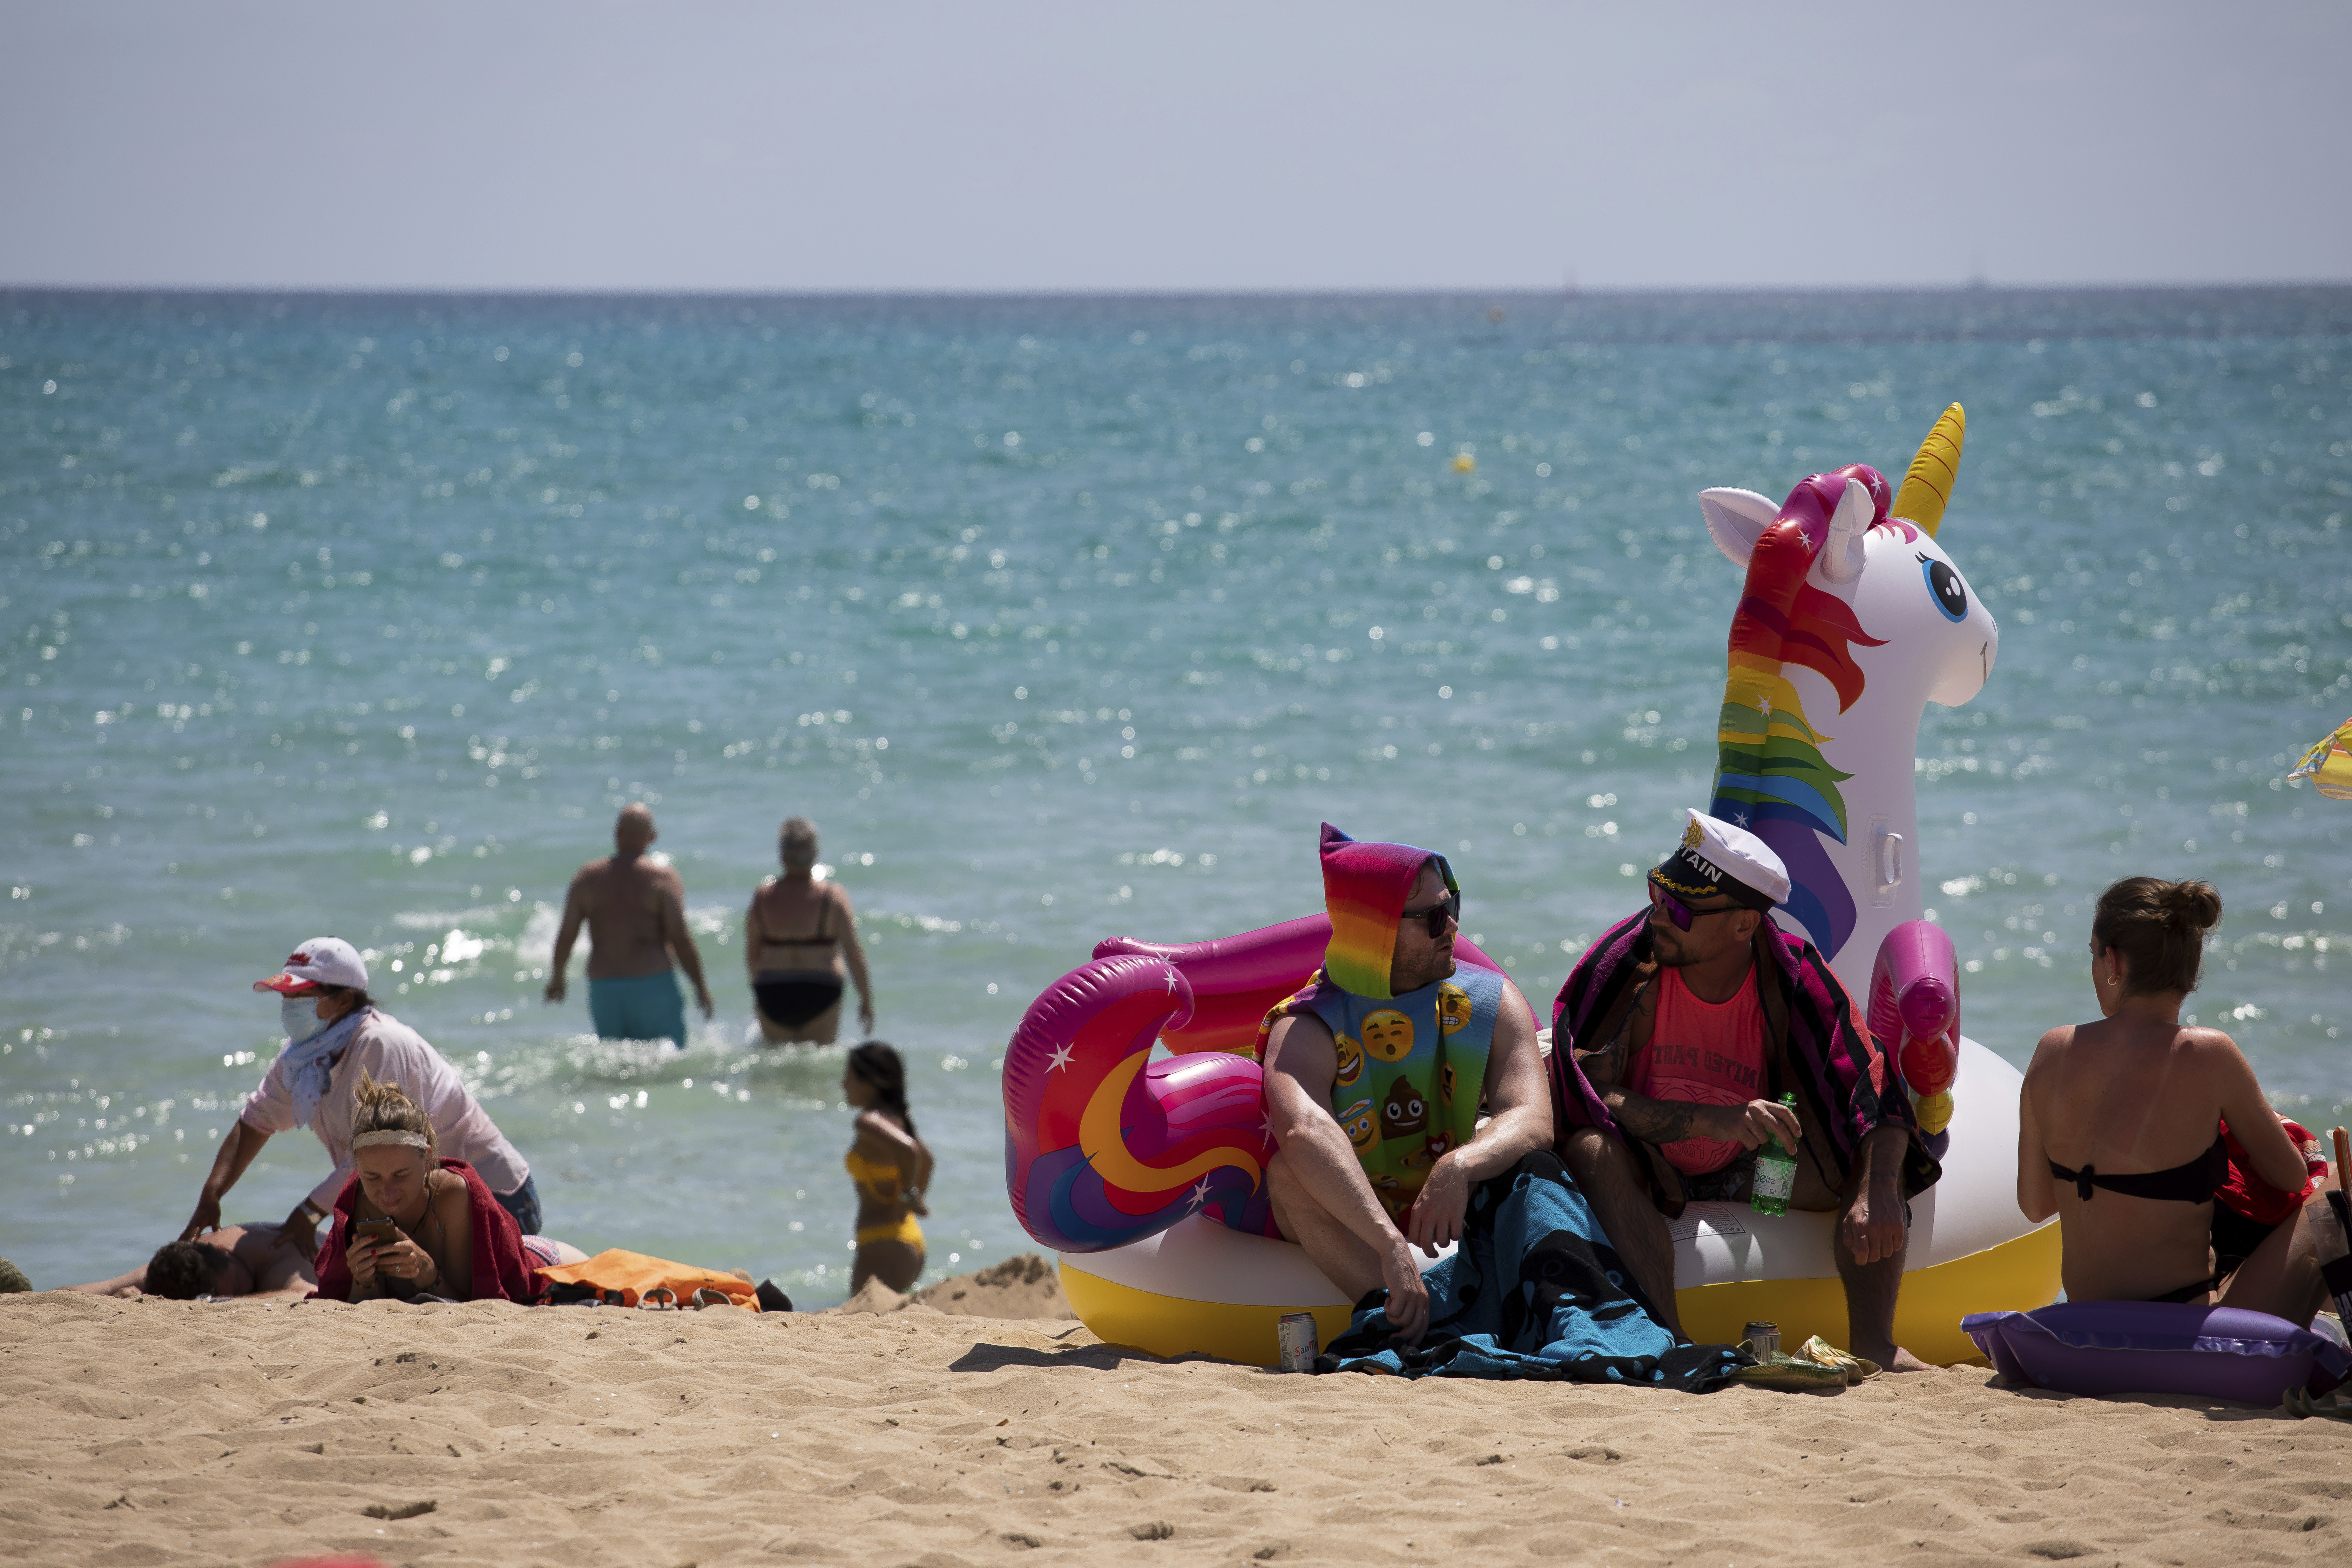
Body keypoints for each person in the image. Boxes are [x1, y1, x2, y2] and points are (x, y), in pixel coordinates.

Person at [1550, 809, 1939, 1371]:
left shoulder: (1793, 977)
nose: (1660, 916)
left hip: (1756, 1175)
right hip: (1650, 1165)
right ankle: (1673, 1339)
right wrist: (1711, 1120)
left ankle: (1875, 1341)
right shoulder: (1630, 962)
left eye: (1681, 908)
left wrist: (1877, 1185)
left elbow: (1871, 1082)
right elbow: (1584, 1089)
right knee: (1590, 1149)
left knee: (1876, 1153)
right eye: (1659, 893)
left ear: (1743, 925)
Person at [1256, 823, 1553, 1347]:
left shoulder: (1488, 1002)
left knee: (1535, 1164)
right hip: (1356, 1219)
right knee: (1285, 1175)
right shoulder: (1308, 1026)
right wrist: (1387, 1242)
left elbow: (1534, 1118)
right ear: (1380, 929)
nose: (1453, 927)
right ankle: (1424, 1326)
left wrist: (1458, 1165)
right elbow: (1303, 1130)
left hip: (1446, 1207)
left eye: (1453, 904)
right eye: (1435, 916)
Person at [2019, 877, 2349, 1319]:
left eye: (2093, 954)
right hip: (2181, 1322)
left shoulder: (2051, 1049)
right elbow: (2292, 1176)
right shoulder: (2208, 1053)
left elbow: (2035, 1203)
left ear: (2113, 961)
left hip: (2088, 1317)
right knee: (2342, 1182)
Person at [183, 937, 540, 1259]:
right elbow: (256, 1121)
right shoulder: (302, 1058)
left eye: (302, 997)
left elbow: (376, 1147)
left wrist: (310, 1211)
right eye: (287, 996)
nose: (289, 1005)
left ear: (343, 1000)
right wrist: (212, 1194)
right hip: (418, 1201)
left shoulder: (380, 1043)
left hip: (496, 1198)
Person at [312, 1072, 541, 1303]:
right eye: (372, 1177)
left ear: (428, 1159)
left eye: (401, 1175)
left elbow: (471, 1302)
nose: (387, 1192)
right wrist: (363, 1279)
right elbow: (362, 1301)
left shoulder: (452, 1195)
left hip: (538, 1255)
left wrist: (427, 1270)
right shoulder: (362, 1199)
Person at [545, 803, 714, 1048]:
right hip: (652, 983)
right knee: (667, 1062)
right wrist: (701, 987)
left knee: (617, 1067)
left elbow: (567, 934)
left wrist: (558, 977)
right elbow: (680, 938)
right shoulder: (662, 879)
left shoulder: (588, 878)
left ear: (617, 833)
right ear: (652, 837)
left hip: (605, 989)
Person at [745, 817, 874, 1046]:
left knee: (777, 1067)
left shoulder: (763, 898)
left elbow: (753, 954)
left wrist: (758, 994)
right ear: (816, 854)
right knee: (818, 1067)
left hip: (773, 990)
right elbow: (854, 953)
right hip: (821, 989)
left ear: (783, 857)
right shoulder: (833, 898)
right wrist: (866, 999)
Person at [842, 1042, 933, 1293]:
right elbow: (928, 1159)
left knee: (859, 1323)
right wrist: (912, 1200)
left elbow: (911, 1152)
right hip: (903, 1236)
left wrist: (909, 1195)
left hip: (884, 1244)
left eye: (848, 1077)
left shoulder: (868, 1121)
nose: (843, 1085)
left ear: (870, 1082)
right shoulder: (897, 1119)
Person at [69, 1224, 319, 1301]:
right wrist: (116, 1299)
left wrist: (222, 1303)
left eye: (238, 1285)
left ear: (225, 1254)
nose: (234, 1292)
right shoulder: (178, 1265)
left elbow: (311, 1294)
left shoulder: (273, 1257)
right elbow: (68, 1295)